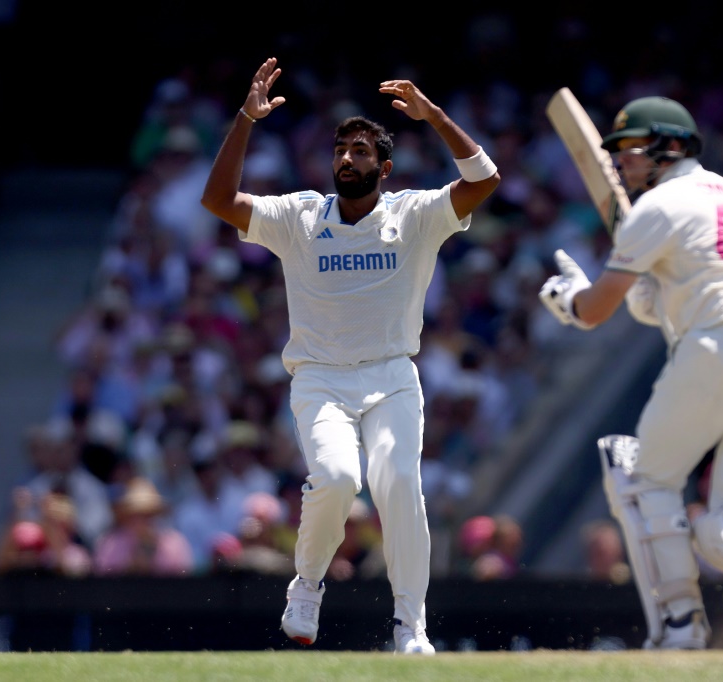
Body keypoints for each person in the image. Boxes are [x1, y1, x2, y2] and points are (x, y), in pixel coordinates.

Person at [200, 57, 500, 655]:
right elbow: (218, 199)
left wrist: (434, 116)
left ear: (384, 168)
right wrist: (245, 119)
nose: (347, 158)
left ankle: (411, 627)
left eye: (361, 152)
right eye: (341, 149)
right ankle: (306, 584)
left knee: (398, 486)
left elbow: (485, 180)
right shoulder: (298, 216)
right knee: (337, 479)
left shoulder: (412, 215)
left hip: (392, 375)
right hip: (319, 378)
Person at [539, 95, 723, 649]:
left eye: (630, 151)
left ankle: (681, 625)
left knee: (647, 479)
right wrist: (651, 295)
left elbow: (596, 311)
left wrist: (568, 299)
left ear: (669, 147)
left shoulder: (658, 207)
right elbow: (675, 291)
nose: (621, 165)